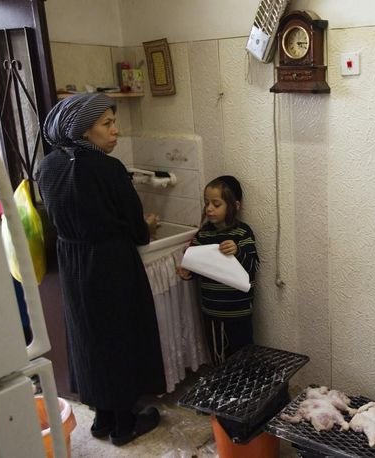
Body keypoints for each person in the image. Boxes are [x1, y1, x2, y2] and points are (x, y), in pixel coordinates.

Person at [36, 93, 165, 446]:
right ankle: (125, 424)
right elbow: (136, 230)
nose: (116, 131)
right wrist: (147, 225)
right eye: (107, 124)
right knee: (120, 335)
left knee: (88, 338)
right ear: (83, 130)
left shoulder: (47, 168)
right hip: (111, 263)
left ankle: (102, 419)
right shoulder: (109, 169)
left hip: (73, 265)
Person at [177, 175, 259, 364]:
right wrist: (187, 273)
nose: (209, 209)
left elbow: (252, 267)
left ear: (235, 206)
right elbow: (197, 268)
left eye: (216, 204)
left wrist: (237, 251)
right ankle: (223, 390)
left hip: (239, 311)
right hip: (212, 311)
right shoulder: (203, 234)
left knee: (244, 355)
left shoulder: (242, 233)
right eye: (207, 203)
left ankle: (247, 390)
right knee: (218, 356)